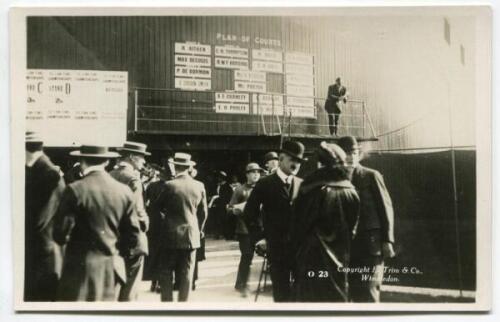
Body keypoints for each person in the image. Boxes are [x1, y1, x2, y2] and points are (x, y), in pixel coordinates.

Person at [53, 145, 141, 301]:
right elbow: (133, 235)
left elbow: (59, 234)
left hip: (77, 269)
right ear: (106, 162)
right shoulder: (123, 191)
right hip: (110, 269)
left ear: (81, 161)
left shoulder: (74, 189)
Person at [290, 142, 360, 302]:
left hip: (312, 257)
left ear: (320, 164)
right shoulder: (351, 190)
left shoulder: (312, 189)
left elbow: (299, 225)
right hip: (341, 257)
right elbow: (353, 227)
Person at [244, 140, 306, 302]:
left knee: (301, 292)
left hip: (299, 249)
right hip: (276, 248)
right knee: (281, 294)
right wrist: (259, 237)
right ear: (281, 159)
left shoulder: (302, 184)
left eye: (299, 161)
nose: (296, 164)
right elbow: (250, 213)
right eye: (292, 159)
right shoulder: (265, 184)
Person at [337, 136, 396, 302]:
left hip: (370, 247)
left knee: (369, 292)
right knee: (348, 294)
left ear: (359, 154)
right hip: (346, 248)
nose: (350, 157)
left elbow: (386, 208)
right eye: (346, 153)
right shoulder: (337, 179)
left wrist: (387, 240)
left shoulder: (371, 176)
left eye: (354, 153)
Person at [157, 153, 208, 302]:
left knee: (166, 271)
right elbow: (203, 212)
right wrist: (200, 229)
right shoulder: (199, 186)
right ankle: (183, 305)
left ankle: (167, 304)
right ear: (188, 167)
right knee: (187, 272)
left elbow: (158, 206)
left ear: (175, 166)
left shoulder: (169, 185)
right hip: (191, 235)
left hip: (170, 234)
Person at [24, 131, 65, 301]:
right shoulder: (35, 170)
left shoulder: (50, 175)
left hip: (42, 257)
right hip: (35, 253)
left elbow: (39, 220)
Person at [109, 141, 151, 301]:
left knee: (114, 286)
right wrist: (145, 224)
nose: (144, 161)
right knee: (130, 291)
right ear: (132, 157)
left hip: (113, 237)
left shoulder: (110, 175)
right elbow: (137, 212)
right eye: (141, 157)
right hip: (132, 239)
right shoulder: (133, 179)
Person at [228, 162, 265, 297]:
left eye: (258, 172)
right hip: (245, 230)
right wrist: (241, 207)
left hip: (260, 229)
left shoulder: (263, 188)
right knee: (247, 257)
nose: (256, 174)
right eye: (253, 172)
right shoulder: (240, 189)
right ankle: (242, 285)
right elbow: (230, 209)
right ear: (247, 174)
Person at [144, 168, 170, 293]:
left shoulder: (151, 186)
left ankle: (153, 281)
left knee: (153, 251)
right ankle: (160, 282)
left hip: (153, 221)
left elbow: (146, 203)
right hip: (165, 222)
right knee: (164, 253)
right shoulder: (170, 186)